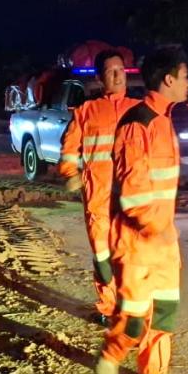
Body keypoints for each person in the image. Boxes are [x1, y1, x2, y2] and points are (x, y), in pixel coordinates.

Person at [96, 46, 188, 374]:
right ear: (168, 79)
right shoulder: (139, 123)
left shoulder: (163, 120)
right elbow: (133, 194)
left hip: (163, 240)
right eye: (184, 76)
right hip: (138, 241)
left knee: (165, 310)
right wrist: (155, 228)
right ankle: (110, 357)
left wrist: (166, 232)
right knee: (134, 316)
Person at [58, 49, 140, 327]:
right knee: (103, 256)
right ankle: (108, 307)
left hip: (133, 199)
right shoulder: (86, 112)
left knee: (131, 257)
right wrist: (71, 172)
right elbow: (69, 149)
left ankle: (131, 308)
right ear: (99, 77)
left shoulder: (139, 110)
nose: (118, 76)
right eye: (110, 71)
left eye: (121, 70)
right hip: (99, 198)